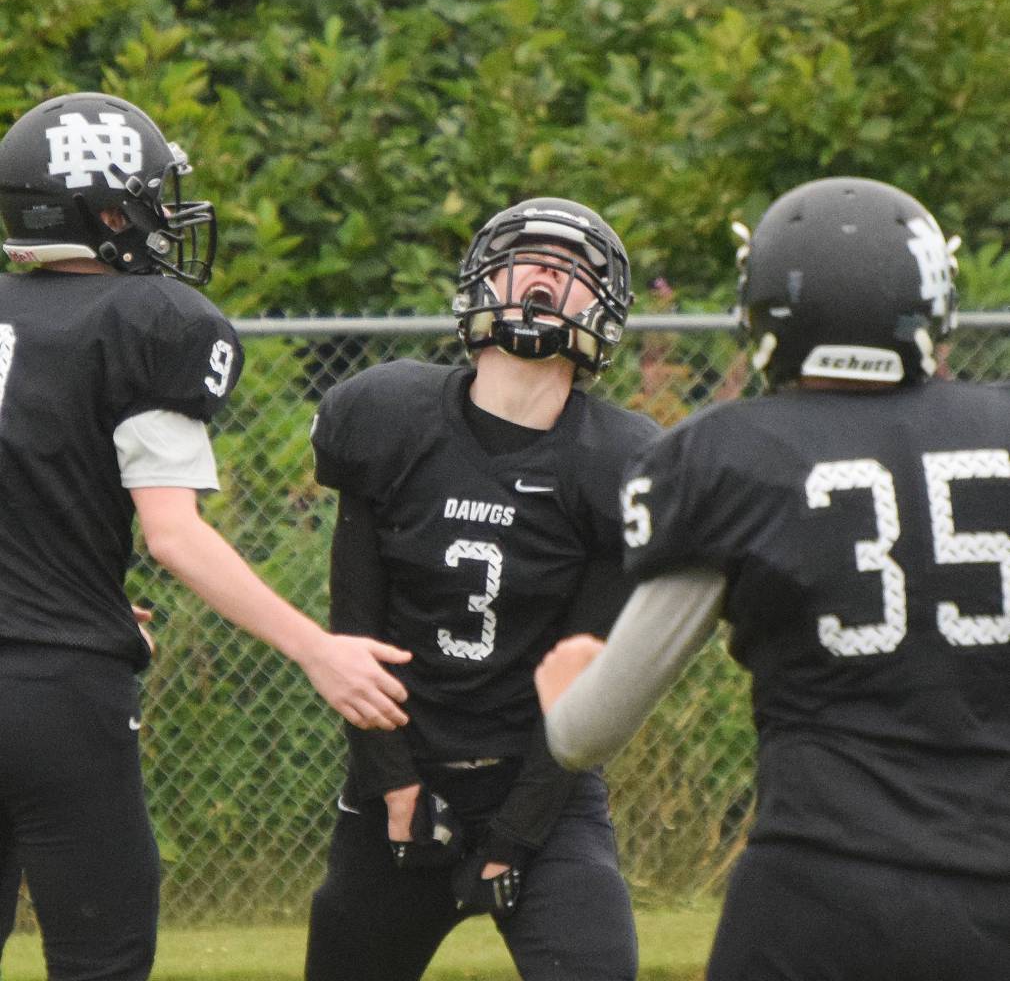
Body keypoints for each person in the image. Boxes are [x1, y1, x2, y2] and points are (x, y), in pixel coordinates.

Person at [535, 176, 1010, 981]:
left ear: (763, 309)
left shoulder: (732, 457)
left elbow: (587, 733)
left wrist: (564, 683)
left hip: (818, 888)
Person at [0, 92, 411, 981]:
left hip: (49, 646)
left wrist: (79, 590)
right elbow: (174, 537)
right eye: (141, 199)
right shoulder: (149, 320)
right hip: (54, 691)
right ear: (104, 212)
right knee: (101, 955)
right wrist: (316, 648)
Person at [305, 198, 658, 981]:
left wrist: (515, 838)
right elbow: (354, 634)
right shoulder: (389, 416)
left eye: (574, 270)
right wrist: (394, 783)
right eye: (524, 256)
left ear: (601, 309)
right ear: (480, 283)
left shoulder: (616, 461)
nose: (543, 273)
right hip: (397, 776)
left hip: (542, 789)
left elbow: (585, 681)